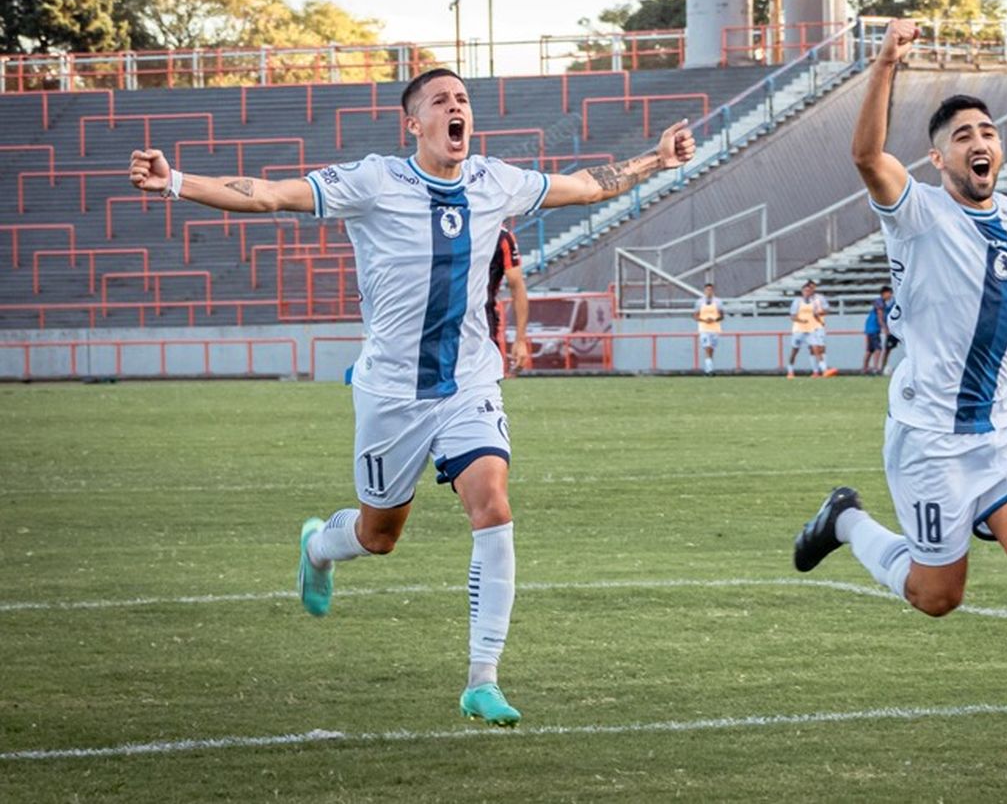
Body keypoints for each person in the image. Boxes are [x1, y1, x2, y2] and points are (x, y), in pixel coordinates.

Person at [128, 67, 695, 724]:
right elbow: (269, 194)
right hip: (391, 393)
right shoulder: (373, 182)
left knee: (492, 502)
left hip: (469, 381)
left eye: (462, 100)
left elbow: (586, 184)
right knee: (379, 535)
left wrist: (658, 158)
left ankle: (483, 677)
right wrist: (174, 180)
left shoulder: (493, 181)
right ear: (415, 124)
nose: (456, 108)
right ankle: (319, 547)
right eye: (440, 101)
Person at [793, 18, 1007, 771]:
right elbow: (866, 154)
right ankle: (847, 521)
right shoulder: (918, 213)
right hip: (929, 436)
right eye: (962, 133)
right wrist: (885, 66)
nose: (979, 140)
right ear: (938, 158)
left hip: (1002, 428)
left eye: (988, 129)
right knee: (938, 595)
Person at [485, 226, 529, 374]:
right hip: (443, 322)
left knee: (484, 385)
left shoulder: (500, 236)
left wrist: (520, 339)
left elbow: (517, 286)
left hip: (483, 324)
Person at [786, 280, 835, 378]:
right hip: (799, 330)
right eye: (806, 291)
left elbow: (820, 312)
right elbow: (792, 316)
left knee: (816, 349)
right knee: (794, 351)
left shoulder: (814, 301)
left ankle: (824, 370)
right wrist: (801, 320)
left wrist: (819, 319)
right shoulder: (797, 301)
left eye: (809, 291)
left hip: (811, 330)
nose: (808, 292)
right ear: (802, 291)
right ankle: (790, 370)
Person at [693, 282, 726, 375]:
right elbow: (695, 316)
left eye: (710, 290)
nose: (709, 291)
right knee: (707, 347)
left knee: (711, 348)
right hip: (704, 328)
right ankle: (710, 370)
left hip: (715, 328)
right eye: (707, 290)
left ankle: (708, 369)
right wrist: (704, 320)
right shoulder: (699, 302)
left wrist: (714, 319)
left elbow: (722, 316)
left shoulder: (718, 302)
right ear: (704, 291)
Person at [861, 285, 895, 374]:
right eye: (889, 293)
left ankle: (864, 368)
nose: (890, 295)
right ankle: (876, 368)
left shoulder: (881, 302)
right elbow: (880, 318)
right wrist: (885, 329)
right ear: (884, 293)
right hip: (873, 328)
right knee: (877, 349)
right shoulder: (879, 302)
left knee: (869, 350)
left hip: (870, 328)